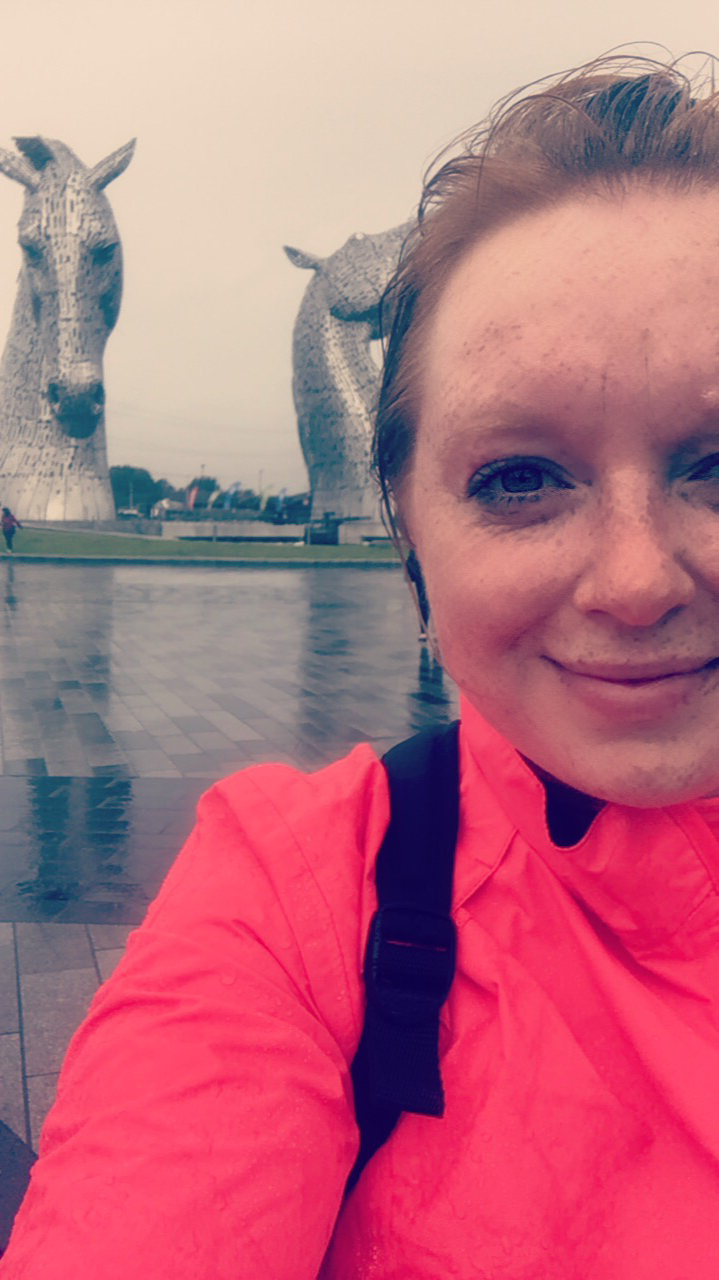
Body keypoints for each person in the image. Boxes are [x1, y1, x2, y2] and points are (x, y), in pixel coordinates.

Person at [5, 51, 719, 1278]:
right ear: (406, 522)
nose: (635, 579)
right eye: (518, 477)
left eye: (715, 463)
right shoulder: (297, 901)